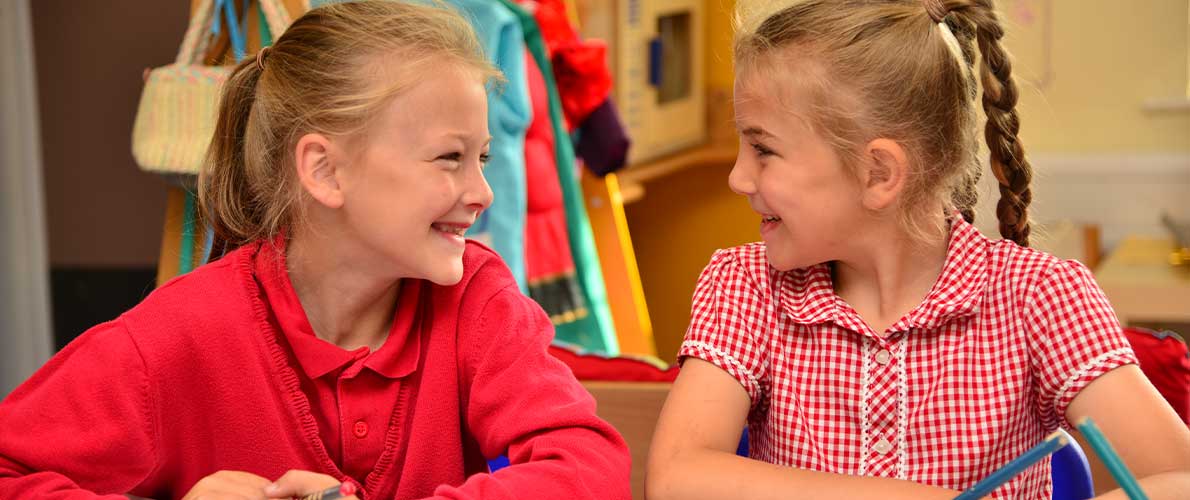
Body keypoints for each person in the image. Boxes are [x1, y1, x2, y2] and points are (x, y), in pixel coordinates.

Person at [0, 2, 630, 499]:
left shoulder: (478, 299)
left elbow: (589, 466)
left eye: (483, 157)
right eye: (450, 158)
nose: (483, 193)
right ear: (325, 171)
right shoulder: (182, 331)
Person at [646, 1, 1190, 498]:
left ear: (879, 173)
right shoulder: (743, 285)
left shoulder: (1041, 295)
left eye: (763, 149)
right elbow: (675, 477)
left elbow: (1180, 478)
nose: (739, 178)